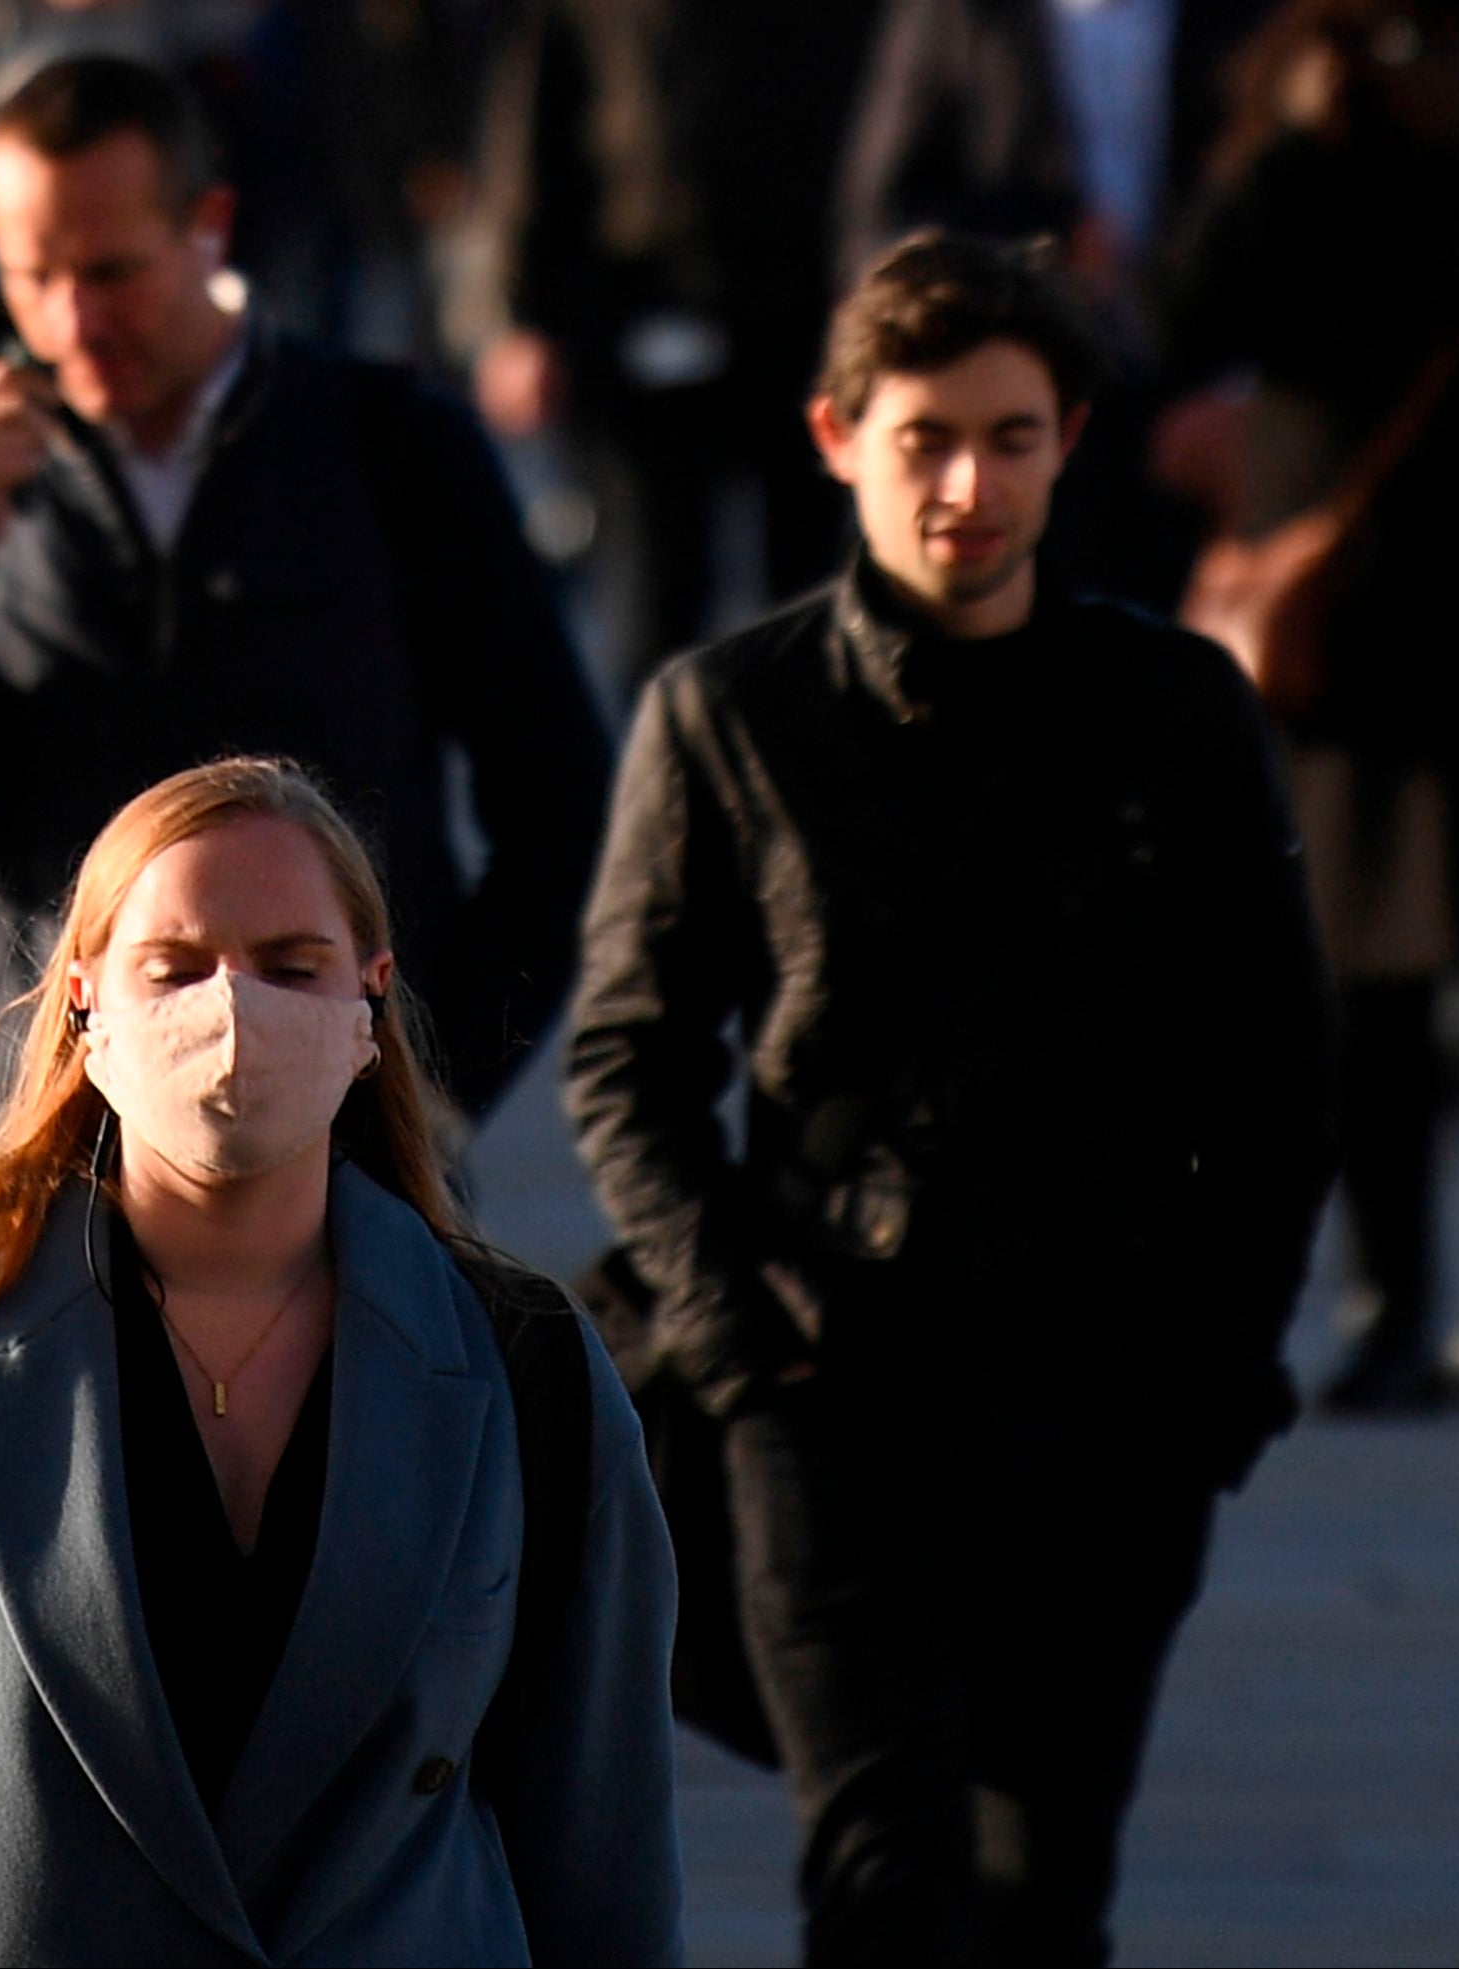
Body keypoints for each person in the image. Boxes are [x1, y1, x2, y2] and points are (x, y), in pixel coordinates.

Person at [566, 233, 1335, 1961]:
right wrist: (736, 1333)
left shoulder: (1174, 712)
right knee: (882, 1875)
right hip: (829, 1372)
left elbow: (1276, 1074)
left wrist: (1213, 1381)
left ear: (1069, 437)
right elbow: (624, 1053)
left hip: (1111, 1386)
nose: (964, 487)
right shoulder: (726, 713)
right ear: (837, 436)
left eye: (1007, 436)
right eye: (922, 439)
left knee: (1041, 1884)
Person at [0, 755, 682, 1966]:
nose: (233, 1011)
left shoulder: (522, 1373)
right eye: (173, 967)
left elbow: (602, 1844)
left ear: (369, 1002)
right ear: (83, 1003)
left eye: (290, 965)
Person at [0, 51, 611, 1138]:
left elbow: (559, 792)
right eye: (30, 276)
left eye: (111, 271)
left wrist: (439, 1080)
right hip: (47, 1126)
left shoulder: (389, 445)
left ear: (206, 225)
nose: (73, 321)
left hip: (332, 1123)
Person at [1163, 0, 1459, 1417]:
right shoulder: (1300, 181)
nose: (1445, 79)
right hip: (1340, 660)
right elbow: (1180, 315)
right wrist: (1290, 125)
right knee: (1370, 1007)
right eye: (1414, 48)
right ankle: (1394, 1299)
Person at [457, 0, 939, 688]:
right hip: (643, 301)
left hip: (828, 314)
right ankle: (666, 806)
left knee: (823, 604)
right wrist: (518, 313)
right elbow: (533, 113)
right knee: (652, 605)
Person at [834, 0, 1354, 609]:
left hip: (1209, 436)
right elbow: (878, 222)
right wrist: (1036, 255)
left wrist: (1258, 406)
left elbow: (1324, 220)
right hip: (1018, 427)